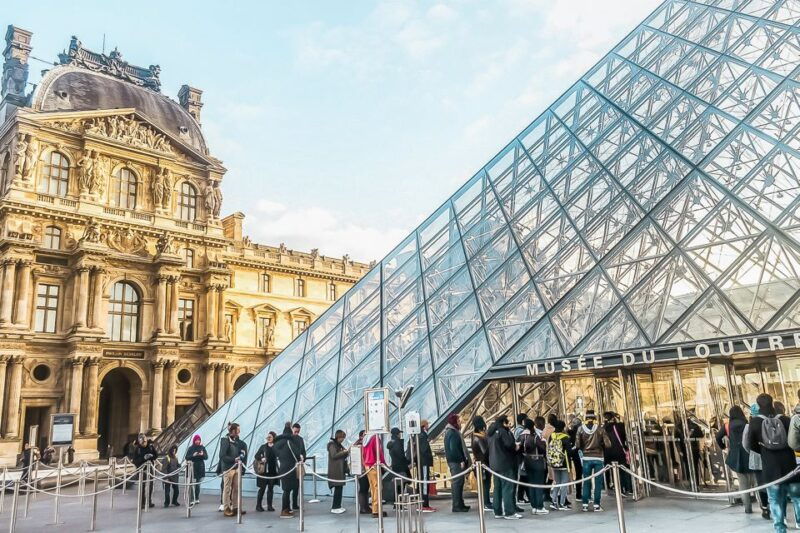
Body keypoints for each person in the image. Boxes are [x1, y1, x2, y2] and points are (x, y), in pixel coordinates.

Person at [745, 393, 800, 533]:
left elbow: (750, 444)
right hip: (790, 466)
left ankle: (780, 528)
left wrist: (764, 450)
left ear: (758, 405)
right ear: (772, 403)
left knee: (775, 500)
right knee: (797, 497)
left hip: (770, 468)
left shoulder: (755, 422)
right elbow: (794, 441)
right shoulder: (786, 419)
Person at [717, 406, 756, 514]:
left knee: (743, 484)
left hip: (736, 457)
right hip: (749, 454)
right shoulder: (747, 424)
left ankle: (748, 508)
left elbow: (718, 437)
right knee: (756, 482)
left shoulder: (727, 426)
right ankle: (763, 506)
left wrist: (723, 447)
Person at [576, 409, 611, 512]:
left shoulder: (580, 429)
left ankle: (585, 504)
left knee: (586, 481)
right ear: (595, 418)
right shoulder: (600, 429)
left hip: (586, 458)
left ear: (585, 418)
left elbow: (577, 445)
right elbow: (608, 444)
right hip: (598, 457)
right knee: (598, 482)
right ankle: (596, 505)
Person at [743, 403, 772, 520]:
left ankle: (765, 508)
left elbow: (746, 444)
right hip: (770, 456)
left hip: (756, 457)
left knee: (760, 483)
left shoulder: (749, 425)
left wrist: (751, 452)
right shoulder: (770, 421)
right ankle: (775, 504)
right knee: (772, 480)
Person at [489, 415, 521, 520]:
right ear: (503, 422)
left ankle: (497, 511)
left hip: (494, 464)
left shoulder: (491, 432)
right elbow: (509, 444)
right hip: (505, 463)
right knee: (508, 488)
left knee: (497, 488)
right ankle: (509, 512)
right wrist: (515, 446)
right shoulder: (502, 431)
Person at [274, 423, 304, 518]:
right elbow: (297, 454)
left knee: (285, 490)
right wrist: (301, 458)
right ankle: (284, 510)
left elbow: (276, 454)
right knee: (288, 490)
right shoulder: (289, 442)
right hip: (290, 468)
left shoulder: (277, 443)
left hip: (282, 468)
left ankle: (287, 508)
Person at [444, 413, 471, 513]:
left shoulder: (451, 432)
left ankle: (460, 503)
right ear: (454, 422)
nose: (460, 423)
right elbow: (454, 448)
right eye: (459, 421)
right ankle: (457, 505)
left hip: (454, 461)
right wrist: (461, 460)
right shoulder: (453, 433)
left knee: (459, 482)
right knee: (457, 483)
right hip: (455, 462)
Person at [219, 422, 248, 517]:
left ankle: (235, 507)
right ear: (233, 431)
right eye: (238, 430)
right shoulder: (225, 440)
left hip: (236, 468)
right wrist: (234, 459)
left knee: (236, 488)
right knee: (227, 489)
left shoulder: (236, 441)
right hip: (228, 468)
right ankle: (226, 508)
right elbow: (222, 456)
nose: (239, 432)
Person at [407, 419, 436, 512]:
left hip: (420, 462)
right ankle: (425, 504)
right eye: (427, 424)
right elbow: (423, 450)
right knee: (424, 482)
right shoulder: (422, 436)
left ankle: (422, 502)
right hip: (423, 462)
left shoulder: (417, 435)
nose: (429, 426)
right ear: (424, 426)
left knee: (422, 481)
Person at [521, 417, 548, 515]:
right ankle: (540, 506)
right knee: (539, 485)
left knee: (531, 485)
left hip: (528, 462)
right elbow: (543, 449)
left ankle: (534, 506)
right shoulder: (535, 436)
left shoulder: (523, 436)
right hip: (537, 462)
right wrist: (544, 442)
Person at [603, 412, 632, 496]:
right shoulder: (619, 426)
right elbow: (625, 437)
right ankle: (626, 488)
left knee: (611, 470)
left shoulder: (603, 428)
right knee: (623, 470)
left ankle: (614, 486)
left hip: (608, 452)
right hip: (619, 450)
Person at [548, 420, 572, 511]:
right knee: (564, 484)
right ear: (563, 427)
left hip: (554, 463)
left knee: (557, 483)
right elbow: (569, 452)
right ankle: (562, 503)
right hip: (564, 463)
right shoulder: (565, 437)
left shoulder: (551, 436)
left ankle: (554, 501)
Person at [363, 432, 387, 518]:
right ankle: (376, 510)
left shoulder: (366, 438)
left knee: (373, 487)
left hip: (367, 465)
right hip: (374, 464)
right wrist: (384, 463)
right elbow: (379, 452)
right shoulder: (375, 438)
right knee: (378, 487)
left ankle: (375, 508)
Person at [471, 416, 492, 511]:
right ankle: (486, 502)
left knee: (486, 484)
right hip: (483, 464)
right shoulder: (478, 437)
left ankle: (486, 501)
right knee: (485, 484)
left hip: (481, 463)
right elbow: (485, 451)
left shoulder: (477, 436)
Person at [253, 432, 278, 512]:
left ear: (274, 438)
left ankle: (269, 506)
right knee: (262, 488)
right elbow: (256, 456)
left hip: (272, 471)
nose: (268, 438)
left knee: (270, 488)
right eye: (268, 437)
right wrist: (261, 458)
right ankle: (258, 505)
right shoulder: (263, 447)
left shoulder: (276, 447)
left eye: (270, 437)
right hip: (263, 471)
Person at [327, 429, 349, 514]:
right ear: (338, 437)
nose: (343, 439)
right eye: (342, 437)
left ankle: (338, 505)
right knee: (338, 488)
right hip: (336, 470)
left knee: (339, 488)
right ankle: (335, 507)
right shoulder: (332, 445)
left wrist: (345, 452)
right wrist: (344, 452)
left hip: (339, 470)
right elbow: (334, 455)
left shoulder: (338, 445)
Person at [132, 433, 157, 509]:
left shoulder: (151, 446)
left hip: (150, 468)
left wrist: (152, 456)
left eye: (145, 442)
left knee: (150, 485)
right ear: (139, 442)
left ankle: (149, 501)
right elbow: (135, 461)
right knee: (142, 486)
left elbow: (156, 455)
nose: (144, 443)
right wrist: (144, 458)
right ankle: (142, 502)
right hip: (142, 469)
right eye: (143, 442)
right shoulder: (137, 449)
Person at [185, 434, 208, 505]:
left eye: (199, 440)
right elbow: (187, 457)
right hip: (192, 468)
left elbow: (206, 457)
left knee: (198, 484)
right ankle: (192, 499)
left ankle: (197, 498)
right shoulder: (190, 448)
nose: (198, 441)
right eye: (196, 440)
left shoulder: (202, 448)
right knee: (192, 484)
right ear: (194, 440)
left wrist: (202, 454)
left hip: (200, 467)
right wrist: (193, 455)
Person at [513, 414, 529, 505]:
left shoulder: (516, 429)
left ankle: (522, 496)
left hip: (519, 457)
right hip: (521, 457)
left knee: (523, 476)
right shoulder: (521, 431)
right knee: (523, 477)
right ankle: (520, 496)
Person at [291, 423, 307, 511]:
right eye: (295, 431)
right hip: (291, 466)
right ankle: (288, 505)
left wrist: (303, 458)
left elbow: (304, 451)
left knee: (297, 485)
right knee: (291, 486)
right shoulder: (289, 439)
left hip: (298, 465)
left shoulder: (300, 439)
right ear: (292, 429)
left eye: (298, 431)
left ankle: (294, 504)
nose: (297, 433)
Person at [354, 430, 371, 515]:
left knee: (365, 488)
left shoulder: (357, 444)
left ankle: (365, 506)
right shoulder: (360, 445)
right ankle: (363, 507)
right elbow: (362, 458)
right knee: (363, 488)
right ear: (361, 436)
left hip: (361, 469)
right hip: (362, 470)